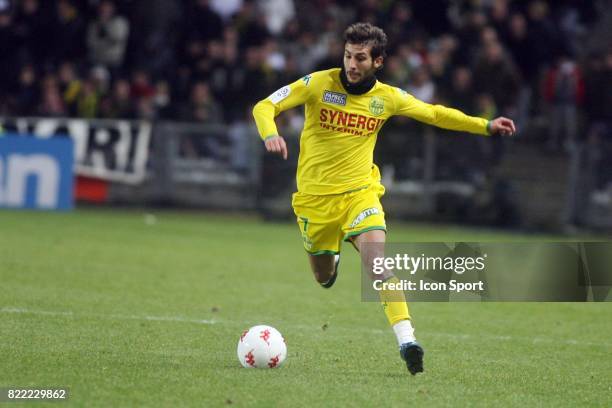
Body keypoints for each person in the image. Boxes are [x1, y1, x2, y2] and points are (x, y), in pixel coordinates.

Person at [252, 22, 515, 376]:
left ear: (378, 62)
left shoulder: (387, 98)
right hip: (314, 201)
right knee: (322, 275)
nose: (351, 64)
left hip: (360, 194)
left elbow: (435, 113)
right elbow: (264, 106)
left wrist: (484, 125)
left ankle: (407, 340)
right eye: (348, 55)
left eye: (360, 57)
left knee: (377, 264)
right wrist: (270, 134)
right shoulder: (317, 84)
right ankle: (332, 258)